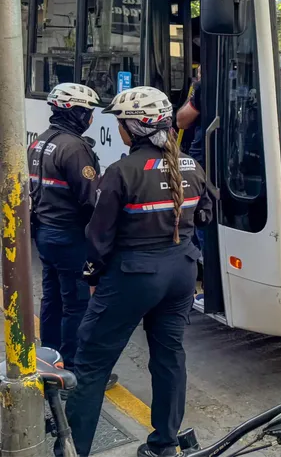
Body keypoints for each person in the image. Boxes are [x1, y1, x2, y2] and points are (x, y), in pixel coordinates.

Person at [67, 86, 214, 457]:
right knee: (169, 357)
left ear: (133, 128)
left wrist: (92, 279)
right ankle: (164, 446)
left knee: (91, 364)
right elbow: (208, 214)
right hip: (180, 274)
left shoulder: (121, 173)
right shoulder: (192, 167)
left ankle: (72, 449)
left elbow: (98, 240)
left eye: (120, 122)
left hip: (132, 276)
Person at [29, 83, 116, 389]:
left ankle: (48, 360)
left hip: (44, 232)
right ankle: (74, 369)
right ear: (76, 113)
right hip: (68, 236)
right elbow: (91, 199)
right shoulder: (74, 147)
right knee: (77, 303)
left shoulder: (40, 142)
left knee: (52, 298)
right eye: (88, 112)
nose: (90, 117)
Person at [176, 66, 204, 255]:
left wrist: (198, 86)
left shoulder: (204, 87)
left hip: (203, 159)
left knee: (198, 211)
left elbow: (181, 120)